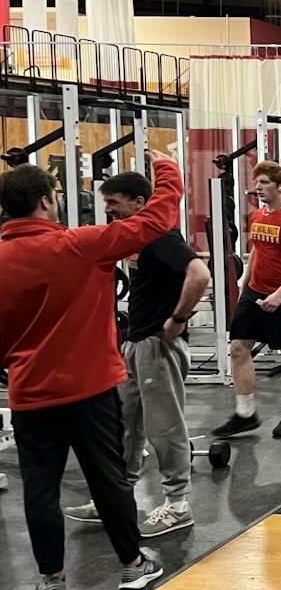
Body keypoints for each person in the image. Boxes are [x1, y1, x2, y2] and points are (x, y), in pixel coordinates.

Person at [0, 154, 182, 590]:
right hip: (90, 388)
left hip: (30, 392)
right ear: (45, 201)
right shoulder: (80, 244)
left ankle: (53, 581)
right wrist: (168, 170)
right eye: (56, 196)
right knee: (107, 478)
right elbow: (156, 219)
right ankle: (132, 565)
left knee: (40, 486)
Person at [64, 172, 209, 538]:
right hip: (136, 345)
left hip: (156, 347)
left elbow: (200, 274)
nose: (108, 210)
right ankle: (115, 497)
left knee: (165, 427)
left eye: (114, 203)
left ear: (139, 203)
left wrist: (178, 319)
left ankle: (178, 504)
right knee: (123, 424)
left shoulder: (161, 238)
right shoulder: (145, 241)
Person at [212, 160, 281, 439]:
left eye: (264, 183)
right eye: (257, 182)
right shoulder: (258, 216)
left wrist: (280, 294)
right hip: (255, 292)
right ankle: (245, 413)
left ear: (280, 185)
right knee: (238, 348)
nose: (258, 187)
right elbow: (258, 250)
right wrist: (244, 281)